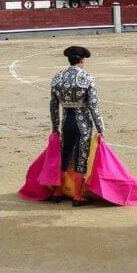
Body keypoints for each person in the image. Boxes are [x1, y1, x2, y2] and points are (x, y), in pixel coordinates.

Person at [50, 46, 104, 207]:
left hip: (66, 121)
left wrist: (55, 127)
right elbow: (94, 106)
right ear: (82, 60)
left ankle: (58, 191)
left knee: (64, 156)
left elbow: (53, 106)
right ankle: (77, 196)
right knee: (81, 157)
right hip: (82, 123)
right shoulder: (87, 78)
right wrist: (100, 128)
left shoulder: (58, 77)